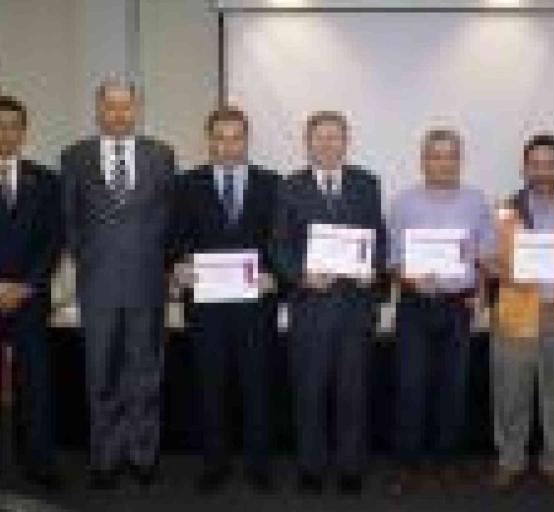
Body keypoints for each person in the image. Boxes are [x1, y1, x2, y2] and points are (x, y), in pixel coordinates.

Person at [61, 79, 177, 490]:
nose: (118, 114)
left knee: (145, 375)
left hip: (148, 284)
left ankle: (143, 456)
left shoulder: (161, 154)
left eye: (126, 107)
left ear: (137, 110)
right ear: (98, 110)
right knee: (102, 375)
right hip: (99, 287)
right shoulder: (75, 156)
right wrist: (90, 261)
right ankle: (105, 458)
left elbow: (168, 218)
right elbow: (70, 221)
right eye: (110, 107)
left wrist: (164, 266)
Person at [274, 111, 386, 494]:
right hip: (310, 308)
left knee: (353, 394)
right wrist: (303, 276)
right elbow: (279, 245)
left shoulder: (366, 184)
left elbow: (379, 239)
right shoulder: (289, 187)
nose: (327, 144)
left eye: (335, 137)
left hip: (355, 307)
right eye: (319, 138)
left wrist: (374, 269)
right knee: (309, 392)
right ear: (308, 142)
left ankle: (351, 468)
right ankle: (310, 467)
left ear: (346, 141)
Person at [175, 106, 280, 493]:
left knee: (257, 387)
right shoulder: (186, 184)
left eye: (236, 137)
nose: (228, 145)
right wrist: (178, 266)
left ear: (246, 140)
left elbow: (281, 242)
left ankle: (259, 465)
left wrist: (277, 276)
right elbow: (175, 237)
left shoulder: (273, 184)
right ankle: (214, 463)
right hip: (205, 309)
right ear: (209, 140)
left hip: (256, 306)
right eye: (220, 137)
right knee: (210, 387)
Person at [385, 128, 495, 494]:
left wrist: (480, 295)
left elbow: (485, 257)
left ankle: (448, 461)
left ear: (459, 160)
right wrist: (411, 279)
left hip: (458, 305)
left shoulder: (478, 202)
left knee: (453, 387)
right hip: (415, 305)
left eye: (450, 156)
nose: (443, 162)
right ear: (424, 160)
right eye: (436, 155)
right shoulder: (402, 203)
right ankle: (406, 465)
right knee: (410, 387)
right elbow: (392, 261)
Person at [491, 134, 554, 499]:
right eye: (535, 164)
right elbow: (486, 259)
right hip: (516, 313)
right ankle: (511, 459)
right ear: (524, 167)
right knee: (511, 391)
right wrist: (504, 270)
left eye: (551, 163)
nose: (543, 171)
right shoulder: (504, 210)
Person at [0, 95, 63, 490]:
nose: (4, 134)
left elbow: (53, 241)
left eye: (12, 126)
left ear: (24, 131)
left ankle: (37, 461)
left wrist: (25, 285)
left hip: (29, 296)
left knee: (34, 384)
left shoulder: (45, 180)